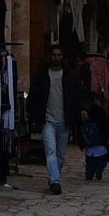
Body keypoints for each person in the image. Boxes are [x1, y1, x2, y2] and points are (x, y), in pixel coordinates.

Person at [26, 47, 76, 195]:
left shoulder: (69, 76)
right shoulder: (42, 76)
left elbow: (76, 96)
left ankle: (55, 175)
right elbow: (34, 97)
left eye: (59, 55)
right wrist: (34, 117)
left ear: (63, 57)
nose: (56, 58)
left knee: (60, 153)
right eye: (54, 55)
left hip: (63, 119)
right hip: (47, 120)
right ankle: (55, 180)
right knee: (50, 151)